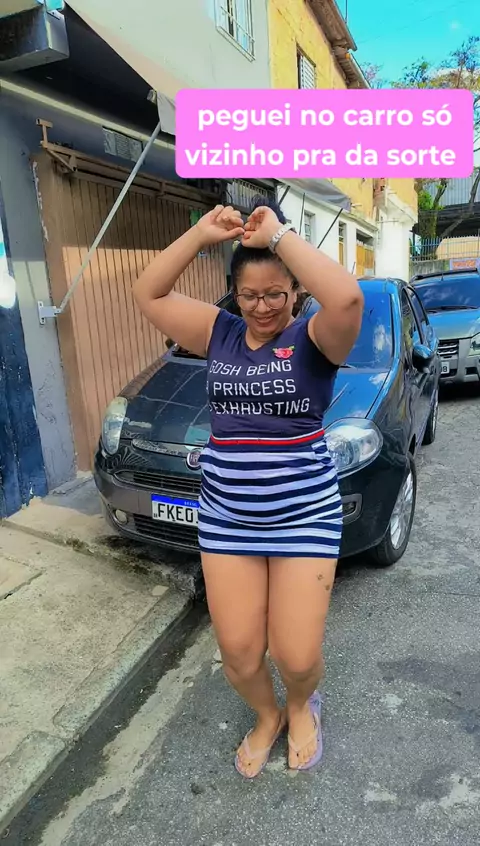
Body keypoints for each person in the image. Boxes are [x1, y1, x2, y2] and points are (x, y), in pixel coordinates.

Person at [133, 197, 363, 778]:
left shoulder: (318, 338)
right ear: (234, 295)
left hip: (303, 517)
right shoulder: (220, 333)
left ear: (295, 293)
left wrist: (279, 235)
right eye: (249, 295)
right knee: (238, 653)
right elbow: (149, 293)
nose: (262, 307)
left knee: (296, 655)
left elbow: (347, 298)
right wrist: (201, 234)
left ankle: (302, 704)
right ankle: (268, 716)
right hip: (228, 519)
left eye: (275, 294)